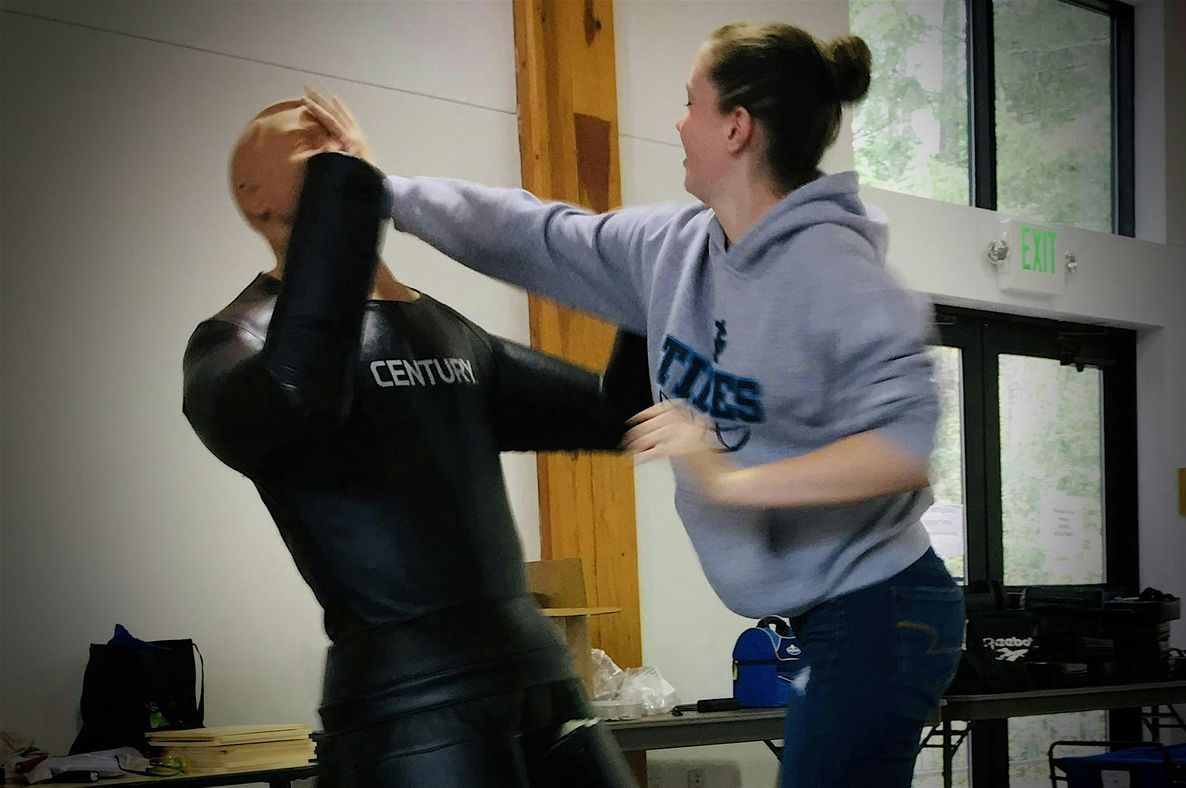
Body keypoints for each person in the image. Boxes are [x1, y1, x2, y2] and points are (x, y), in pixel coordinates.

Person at [305, 19, 965, 788]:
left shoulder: (837, 272)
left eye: (690, 102)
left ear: (736, 127)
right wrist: (381, 191)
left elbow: (901, 449)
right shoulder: (675, 249)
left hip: (887, 607)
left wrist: (726, 479)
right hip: (826, 615)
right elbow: (536, 234)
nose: (678, 123)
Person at [182, 97, 641, 787]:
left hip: (540, 678)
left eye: (339, 140)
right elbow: (300, 392)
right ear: (254, 197)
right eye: (309, 143)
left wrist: (656, 281)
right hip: (414, 708)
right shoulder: (235, 340)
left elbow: (622, 413)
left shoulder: (446, 330)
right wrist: (346, 187)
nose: (336, 144)